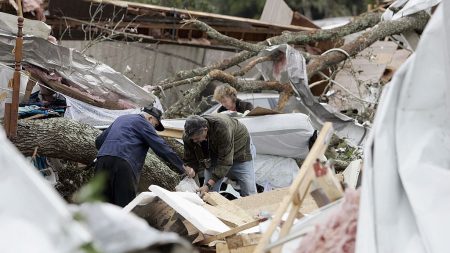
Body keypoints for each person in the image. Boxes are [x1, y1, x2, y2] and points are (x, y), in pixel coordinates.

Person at [95, 106, 195, 207]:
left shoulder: (121, 119)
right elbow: (161, 148)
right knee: (125, 206)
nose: (154, 128)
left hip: (102, 161)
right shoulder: (144, 123)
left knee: (103, 205)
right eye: (155, 125)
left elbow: (98, 142)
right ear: (150, 118)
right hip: (124, 164)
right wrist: (183, 167)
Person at [183, 114, 257, 197]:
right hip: (212, 152)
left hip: (239, 149)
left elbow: (225, 161)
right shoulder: (188, 136)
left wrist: (208, 185)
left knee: (248, 188)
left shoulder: (222, 127)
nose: (194, 141)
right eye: (192, 139)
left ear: (205, 129)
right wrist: (191, 168)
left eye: (197, 138)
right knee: (208, 193)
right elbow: (190, 158)